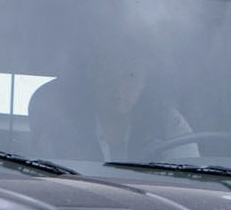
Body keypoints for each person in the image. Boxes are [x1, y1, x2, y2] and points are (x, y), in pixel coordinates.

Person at [27, 36, 192, 163]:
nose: (119, 88)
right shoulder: (62, 122)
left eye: (130, 76)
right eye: (109, 75)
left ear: (144, 82)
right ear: (93, 77)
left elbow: (185, 181)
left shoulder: (167, 123)